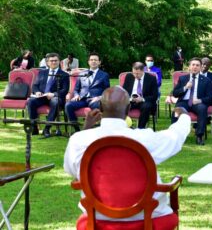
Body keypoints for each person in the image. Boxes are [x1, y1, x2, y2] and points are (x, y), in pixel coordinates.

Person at [63, 86, 191, 222]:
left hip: (97, 216)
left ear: (100, 106)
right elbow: (175, 136)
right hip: (146, 216)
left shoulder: (79, 139)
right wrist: (184, 116)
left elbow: (73, 171)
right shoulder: (144, 138)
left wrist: (85, 130)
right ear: (129, 109)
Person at [27, 53, 69, 137]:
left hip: (55, 97)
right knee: (31, 101)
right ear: (47, 62)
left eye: (55, 60)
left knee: (55, 102)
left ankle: (47, 128)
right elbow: (35, 86)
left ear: (59, 62)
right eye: (51, 61)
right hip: (42, 97)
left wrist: (53, 94)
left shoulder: (64, 75)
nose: (53, 62)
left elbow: (65, 90)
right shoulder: (42, 73)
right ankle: (34, 127)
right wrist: (37, 92)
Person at [172, 57, 212, 145]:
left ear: (201, 67)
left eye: (197, 65)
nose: (195, 67)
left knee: (202, 109)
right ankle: (174, 136)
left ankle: (199, 136)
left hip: (197, 102)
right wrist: (185, 87)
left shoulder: (206, 81)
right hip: (184, 101)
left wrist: (200, 100)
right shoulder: (183, 79)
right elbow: (175, 93)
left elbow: (210, 97)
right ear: (189, 67)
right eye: (193, 65)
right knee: (177, 110)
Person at [65, 52, 110, 132]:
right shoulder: (82, 74)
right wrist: (76, 95)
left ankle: (94, 130)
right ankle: (77, 130)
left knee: (97, 106)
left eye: (95, 60)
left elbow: (107, 91)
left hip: (95, 100)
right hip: (82, 99)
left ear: (99, 62)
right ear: (88, 62)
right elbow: (76, 89)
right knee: (68, 105)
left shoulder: (104, 75)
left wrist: (99, 97)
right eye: (91, 60)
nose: (93, 61)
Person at [123, 62, 158, 128]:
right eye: (134, 73)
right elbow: (123, 92)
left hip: (144, 101)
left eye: (137, 73)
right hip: (130, 100)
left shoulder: (151, 79)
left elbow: (154, 96)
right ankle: (124, 128)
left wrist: (142, 99)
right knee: (118, 105)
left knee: (146, 107)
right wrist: (130, 98)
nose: (135, 75)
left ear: (143, 71)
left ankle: (140, 129)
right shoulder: (129, 76)